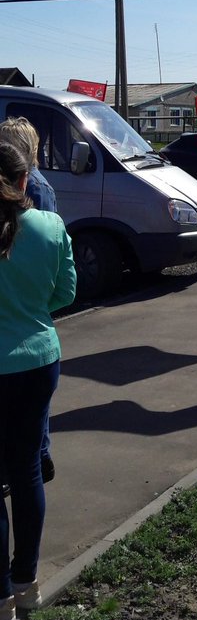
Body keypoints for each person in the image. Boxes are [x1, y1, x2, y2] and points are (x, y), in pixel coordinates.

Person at [0, 141, 76, 620]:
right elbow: (66, 292)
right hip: (37, 362)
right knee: (27, 473)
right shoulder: (50, 227)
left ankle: (0, 602)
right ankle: (26, 584)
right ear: (26, 180)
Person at [0, 118, 58, 487]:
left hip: (17, 326)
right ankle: (37, 453)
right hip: (36, 336)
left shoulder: (31, 188)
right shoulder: (40, 186)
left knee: (24, 422)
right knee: (34, 409)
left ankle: (37, 453)